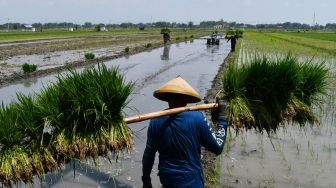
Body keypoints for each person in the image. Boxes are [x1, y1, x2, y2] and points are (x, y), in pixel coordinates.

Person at [142, 76, 228, 188]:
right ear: (187, 99)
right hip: (191, 181)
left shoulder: (155, 121)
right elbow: (217, 148)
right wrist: (222, 119)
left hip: (167, 179)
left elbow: (149, 154)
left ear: (167, 98)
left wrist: (146, 180)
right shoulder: (197, 118)